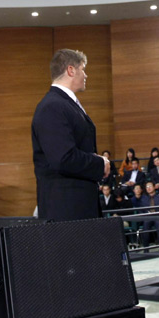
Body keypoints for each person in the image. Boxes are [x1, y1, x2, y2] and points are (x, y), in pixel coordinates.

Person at [31, 49, 110, 221]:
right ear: (71, 70)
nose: (86, 75)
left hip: (76, 209)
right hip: (67, 212)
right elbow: (63, 158)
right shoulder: (53, 106)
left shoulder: (63, 104)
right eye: (83, 69)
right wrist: (100, 163)